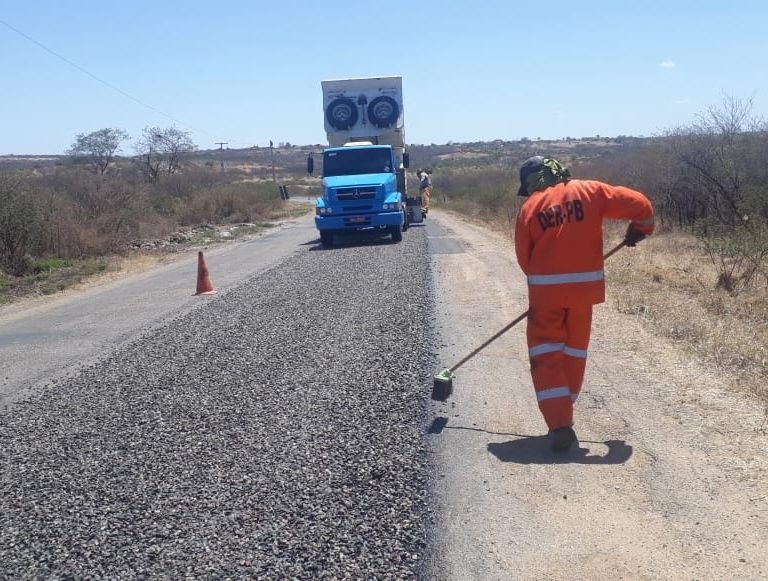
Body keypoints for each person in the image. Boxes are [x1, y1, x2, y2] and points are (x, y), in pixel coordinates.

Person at [514, 156, 654, 451]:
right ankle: (566, 404)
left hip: (547, 299)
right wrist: (641, 229)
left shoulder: (530, 207)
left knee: (546, 354)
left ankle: (560, 422)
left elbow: (524, 259)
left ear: (530, 183)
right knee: (574, 351)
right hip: (583, 295)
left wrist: (547, 282)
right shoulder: (590, 191)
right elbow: (641, 205)